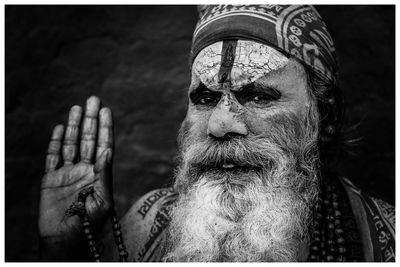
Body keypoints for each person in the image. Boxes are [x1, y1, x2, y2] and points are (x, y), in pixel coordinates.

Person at [38, 5, 395, 262]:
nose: (219, 125)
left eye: (256, 95)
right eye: (206, 98)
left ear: (325, 114)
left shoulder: (388, 242)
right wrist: (65, 251)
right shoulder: (146, 228)